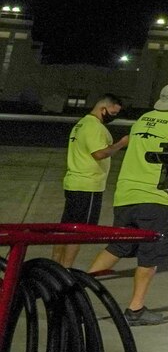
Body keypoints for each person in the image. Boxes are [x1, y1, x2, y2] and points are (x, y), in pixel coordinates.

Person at [87, 82, 168, 326]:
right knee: (150, 255)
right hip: (155, 198)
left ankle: (73, 288)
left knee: (117, 247)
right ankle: (135, 309)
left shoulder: (143, 120)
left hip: (125, 195)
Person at [55, 94, 126, 267]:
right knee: (79, 231)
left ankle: (55, 265)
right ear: (104, 108)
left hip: (73, 182)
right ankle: (66, 269)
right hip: (88, 186)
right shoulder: (94, 127)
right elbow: (99, 153)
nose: (113, 117)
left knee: (65, 228)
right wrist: (121, 143)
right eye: (113, 113)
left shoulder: (81, 124)